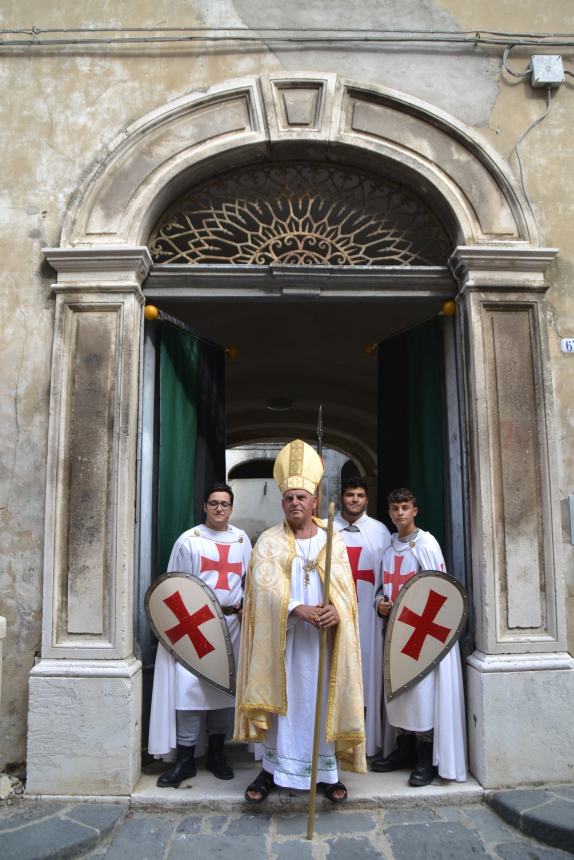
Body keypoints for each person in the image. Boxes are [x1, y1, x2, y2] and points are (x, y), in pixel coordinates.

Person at [234, 439, 366, 804]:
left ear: (314, 501)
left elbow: (347, 592)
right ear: (282, 503)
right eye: (289, 498)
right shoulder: (269, 542)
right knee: (286, 704)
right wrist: (296, 608)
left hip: (324, 644)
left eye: (301, 498)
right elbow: (260, 593)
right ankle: (271, 770)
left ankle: (327, 774)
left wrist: (337, 609)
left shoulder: (332, 538)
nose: (295, 503)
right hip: (285, 643)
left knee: (321, 700)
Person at [148, 482, 252, 787]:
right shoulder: (189, 540)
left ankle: (218, 754)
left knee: (224, 690)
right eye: (214, 503)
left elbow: (251, 581)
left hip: (232, 624)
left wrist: (248, 605)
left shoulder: (242, 540)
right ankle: (185, 759)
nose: (220, 509)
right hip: (195, 626)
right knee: (189, 690)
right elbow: (173, 585)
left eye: (225, 504)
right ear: (205, 506)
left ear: (231, 508)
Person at [371, 487, 467, 785]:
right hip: (394, 633)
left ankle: (425, 758)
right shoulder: (388, 549)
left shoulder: (426, 544)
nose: (400, 513)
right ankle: (404, 749)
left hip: (421, 635)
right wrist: (380, 605)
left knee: (422, 695)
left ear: (415, 510)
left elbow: (439, 591)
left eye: (405, 507)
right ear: (389, 513)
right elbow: (380, 590)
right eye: (394, 508)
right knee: (398, 695)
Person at [334, 477, 390, 757]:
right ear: (341, 497)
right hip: (336, 617)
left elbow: (388, 578)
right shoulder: (326, 530)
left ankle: (365, 741)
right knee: (336, 675)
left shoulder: (380, 532)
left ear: (367, 500)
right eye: (349, 494)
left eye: (359, 495)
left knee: (367, 675)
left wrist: (381, 602)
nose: (354, 499)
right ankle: (334, 740)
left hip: (369, 618)